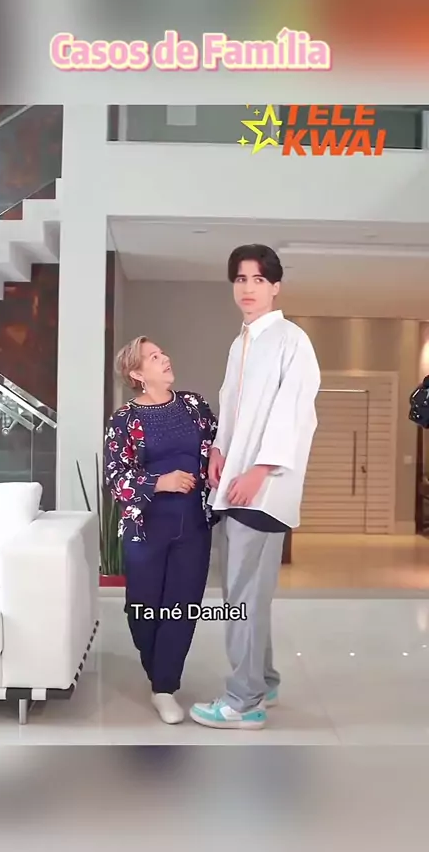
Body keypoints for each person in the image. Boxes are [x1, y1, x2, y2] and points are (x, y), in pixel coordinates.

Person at [190, 244, 321, 730]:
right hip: (236, 481)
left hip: (262, 488)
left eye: (258, 279)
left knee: (242, 596)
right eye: (240, 279)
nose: (248, 288)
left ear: (275, 286)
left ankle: (244, 702)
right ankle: (263, 680)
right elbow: (232, 406)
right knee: (249, 593)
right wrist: (219, 450)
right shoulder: (241, 343)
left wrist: (259, 470)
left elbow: (294, 414)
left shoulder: (291, 340)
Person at [104, 337, 218, 725]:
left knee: (183, 607)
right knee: (142, 607)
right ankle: (158, 670)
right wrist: (160, 482)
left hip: (193, 524)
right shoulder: (124, 419)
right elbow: (115, 478)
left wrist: (219, 459)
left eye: (162, 353)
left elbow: (218, 443)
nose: (164, 357)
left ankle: (164, 687)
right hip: (146, 528)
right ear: (137, 373)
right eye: (153, 357)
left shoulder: (194, 405)